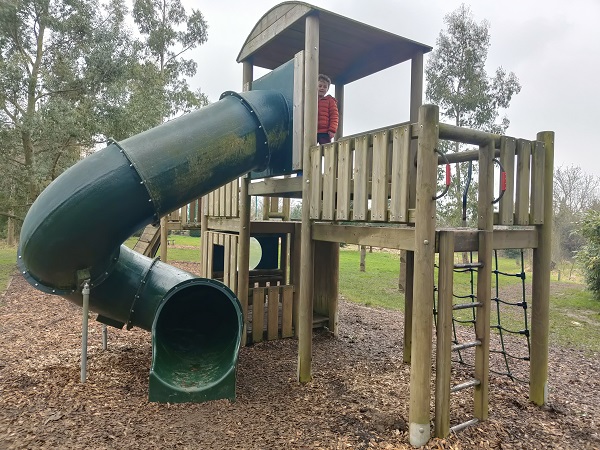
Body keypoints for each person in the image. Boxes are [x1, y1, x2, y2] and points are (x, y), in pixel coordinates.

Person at [317, 74, 339, 145]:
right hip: (311, 131)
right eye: (320, 86)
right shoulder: (310, 99)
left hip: (325, 132)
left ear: (327, 89)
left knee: (326, 150)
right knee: (308, 150)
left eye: (325, 87)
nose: (322, 88)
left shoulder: (330, 100)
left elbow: (334, 116)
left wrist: (332, 130)